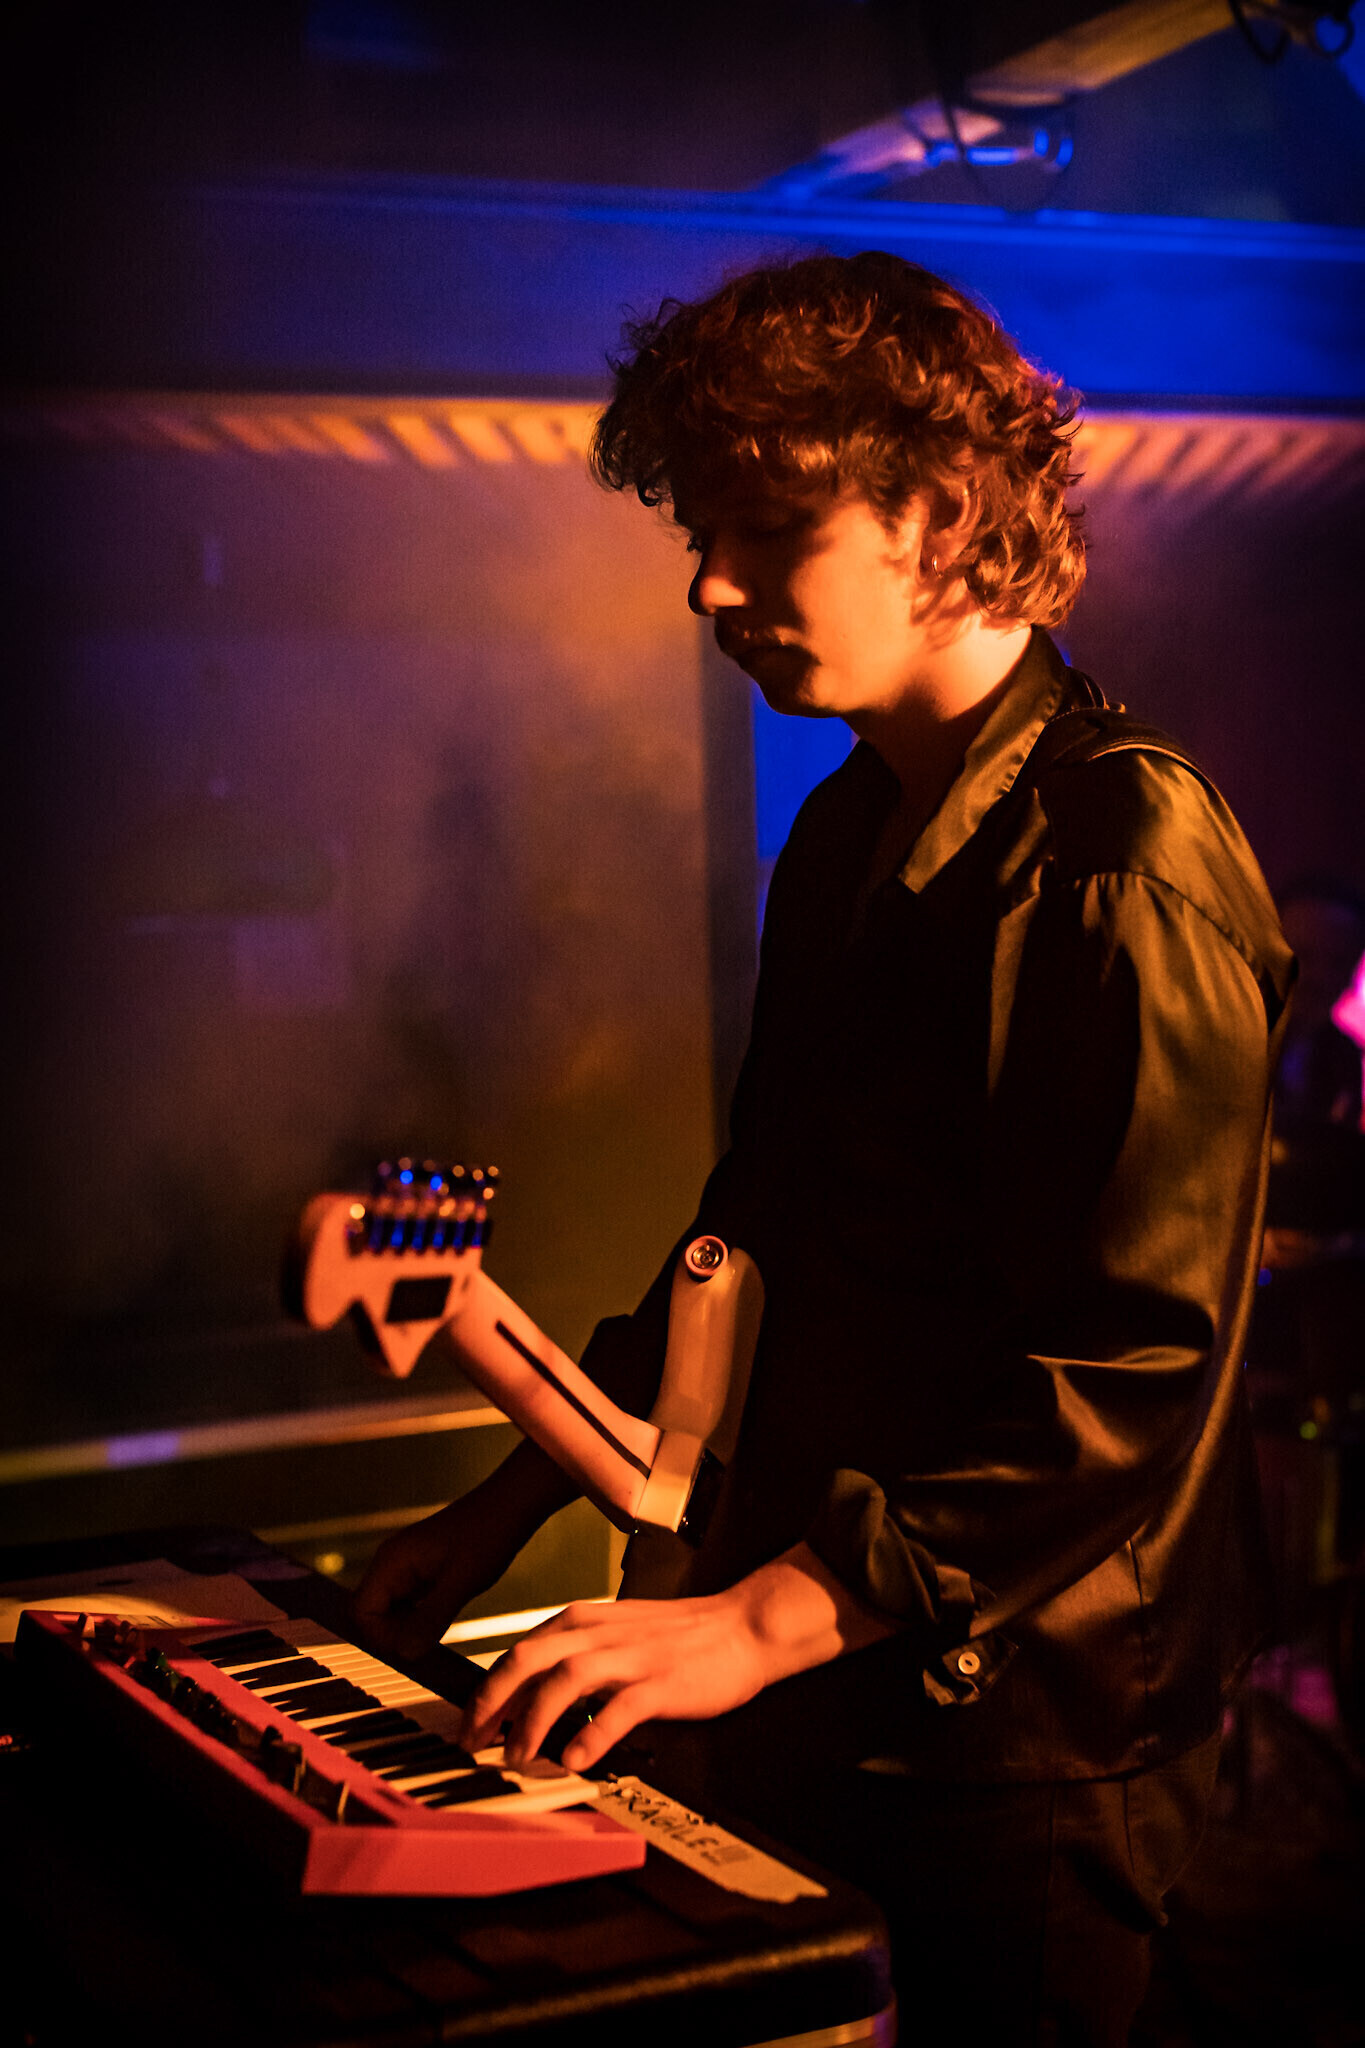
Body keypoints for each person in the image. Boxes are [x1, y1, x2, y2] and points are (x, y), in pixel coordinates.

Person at [355, 252, 1294, 2043]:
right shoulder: (853, 830)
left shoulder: (1122, 859)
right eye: (699, 532)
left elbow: (1125, 1370)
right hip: (826, 1671)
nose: (706, 585)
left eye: (763, 531)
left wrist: (761, 1621)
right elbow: (757, 1238)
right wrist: (509, 1501)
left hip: (1014, 1738)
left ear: (940, 514)